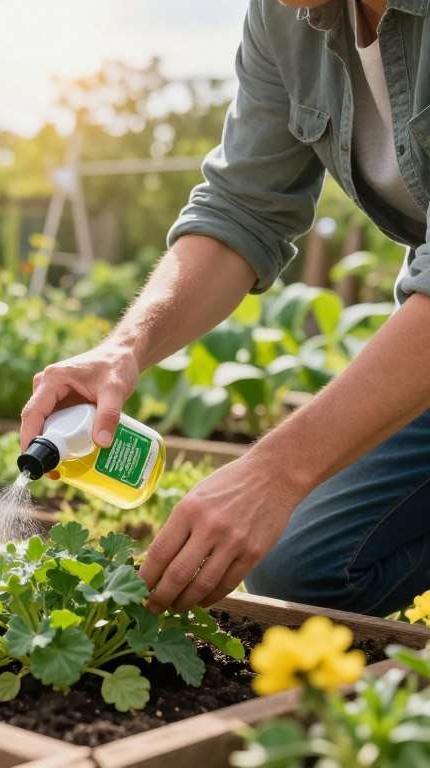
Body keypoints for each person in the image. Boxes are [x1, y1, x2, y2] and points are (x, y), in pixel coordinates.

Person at [21, 0, 430, 618]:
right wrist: (122, 350)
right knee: (304, 566)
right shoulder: (286, 16)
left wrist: (278, 470)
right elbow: (243, 209)